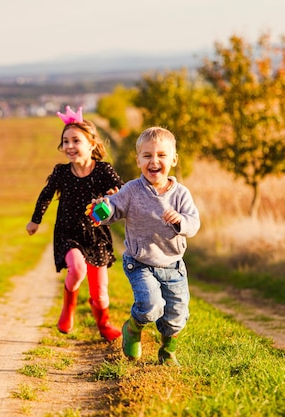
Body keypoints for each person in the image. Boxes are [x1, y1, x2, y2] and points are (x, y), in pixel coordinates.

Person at [90, 126, 200, 366]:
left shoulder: (181, 194)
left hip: (173, 266)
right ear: (138, 159)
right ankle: (133, 328)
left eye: (161, 155)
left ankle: (167, 352)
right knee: (151, 307)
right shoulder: (131, 190)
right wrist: (102, 209)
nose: (154, 161)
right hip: (140, 263)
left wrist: (180, 220)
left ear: (173, 159)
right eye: (147, 156)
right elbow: (112, 209)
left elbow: (193, 224)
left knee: (177, 317)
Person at [26, 106, 123, 341]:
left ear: (91, 143)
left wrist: (112, 198)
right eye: (65, 141)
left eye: (75, 140)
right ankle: (67, 308)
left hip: (96, 235)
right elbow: (46, 195)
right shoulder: (61, 173)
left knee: (100, 293)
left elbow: (121, 190)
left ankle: (104, 323)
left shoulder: (103, 170)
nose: (69, 146)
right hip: (68, 234)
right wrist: (35, 220)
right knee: (77, 269)